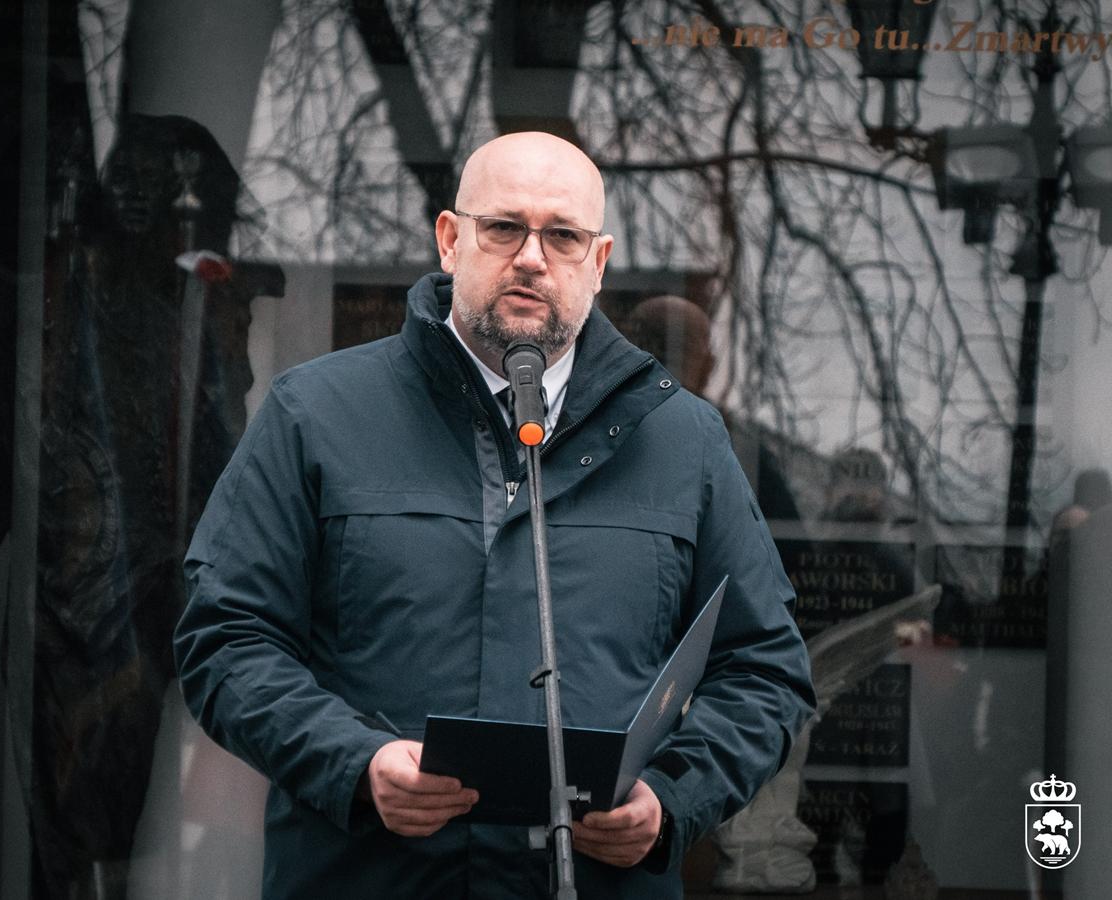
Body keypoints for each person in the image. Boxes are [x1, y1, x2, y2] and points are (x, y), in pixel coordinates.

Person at [174, 131, 814, 898]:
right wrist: (355, 762)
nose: (532, 258)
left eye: (563, 235)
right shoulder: (315, 415)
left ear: (598, 261)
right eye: (504, 227)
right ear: (450, 240)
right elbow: (227, 639)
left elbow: (766, 671)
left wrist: (672, 798)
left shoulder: (684, 442)